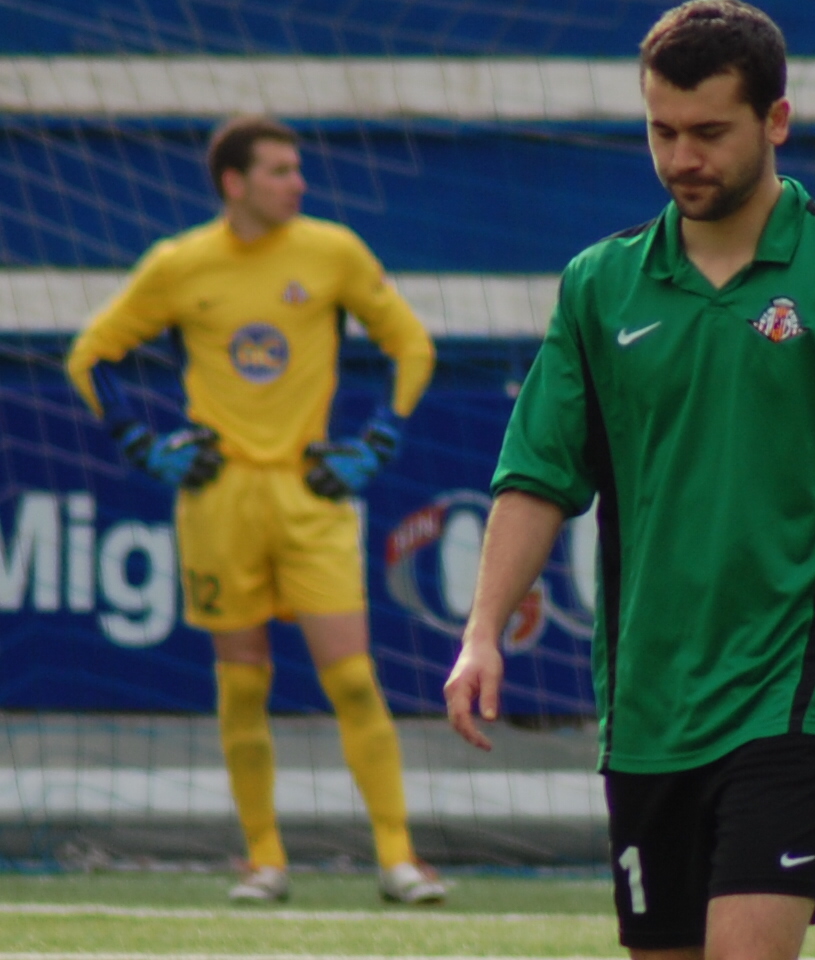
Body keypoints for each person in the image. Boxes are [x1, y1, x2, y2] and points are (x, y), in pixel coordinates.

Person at [444, 3, 815, 958]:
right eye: (662, 132)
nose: (681, 158)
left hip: (806, 690)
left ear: (776, 121)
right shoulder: (599, 285)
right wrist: (483, 630)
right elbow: (536, 477)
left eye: (708, 133)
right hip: (652, 697)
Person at [65, 115, 447, 906]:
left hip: (311, 495)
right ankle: (265, 860)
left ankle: (398, 859)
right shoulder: (180, 265)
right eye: (278, 170)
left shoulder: (332, 251)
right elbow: (90, 354)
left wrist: (377, 440)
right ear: (234, 183)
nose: (296, 182)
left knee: (351, 676)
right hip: (220, 499)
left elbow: (411, 344)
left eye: (296, 169)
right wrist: (144, 445)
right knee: (242, 684)